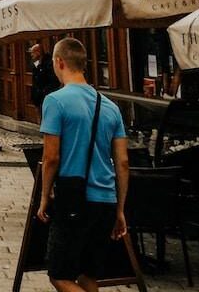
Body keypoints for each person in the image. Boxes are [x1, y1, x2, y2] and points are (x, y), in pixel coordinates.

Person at [36, 37, 129, 292]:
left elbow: (52, 157)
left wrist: (44, 197)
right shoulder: (110, 106)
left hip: (74, 199)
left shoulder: (55, 101)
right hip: (106, 201)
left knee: (60, 275)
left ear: (59, 62)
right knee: (88, 275)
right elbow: (122, 162)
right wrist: (120, 209)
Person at [29, 42, 58, 112]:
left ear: (38, 52)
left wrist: (44, 91)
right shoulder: (34, 63)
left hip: (46, 95)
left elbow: (53, 81)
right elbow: (35, 79)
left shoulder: (49, 63)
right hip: (37, 96)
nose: (31, 55)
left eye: (33, 53)